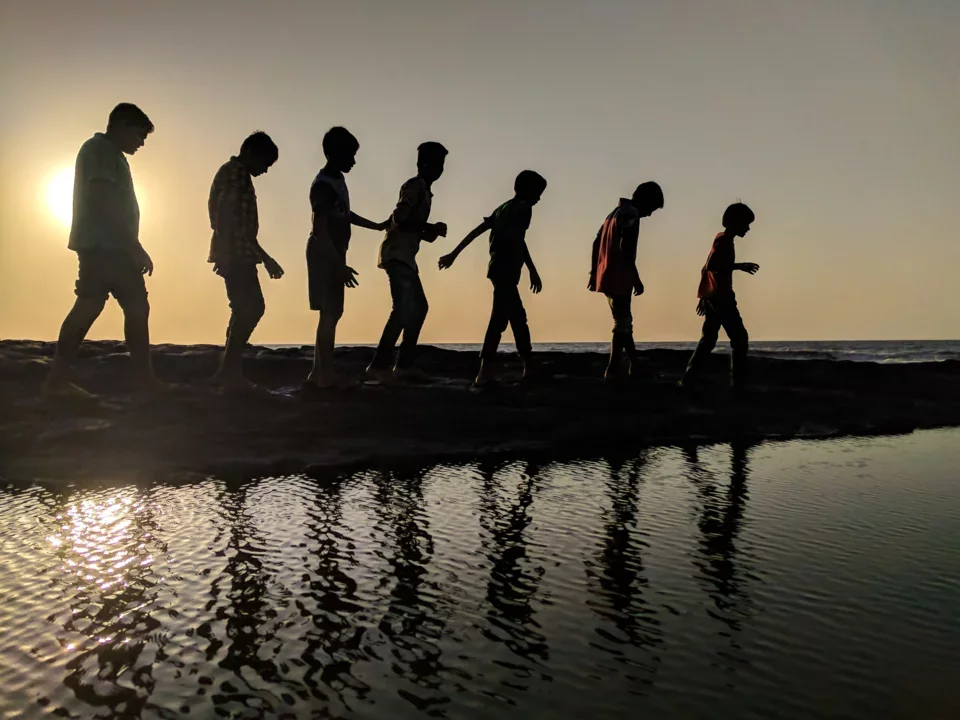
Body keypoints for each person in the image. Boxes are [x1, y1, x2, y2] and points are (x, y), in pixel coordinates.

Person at [43, 103, 160, 398]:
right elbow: (102, 197)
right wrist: (133, 246)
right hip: (106, 246)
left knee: (100, 305)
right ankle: (141, 380)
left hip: (108, 245)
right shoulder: (101, 150)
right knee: (115, 305)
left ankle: (60, 378)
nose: (141, 142)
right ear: (120, 125)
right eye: (139, 134)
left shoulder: (110, 155)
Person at [438, 170, 546, 386]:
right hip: (505, 270)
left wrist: (454, 254)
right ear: (526, 190)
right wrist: (532, 270)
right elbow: (518, 241)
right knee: (501, 320)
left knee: (516, 318)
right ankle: (485, 371)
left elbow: (478, 230)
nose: (539, 198)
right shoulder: (523, 209)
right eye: (537, 193)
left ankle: (526, 365)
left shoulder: (502, 208)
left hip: (497, 269)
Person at [304, 126, 386, 392]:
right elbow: (319, 229)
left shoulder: (336, 181)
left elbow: (345, 213)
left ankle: (319, 372)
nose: (353, 161)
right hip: (324, 253)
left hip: (334, 253)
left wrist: (375, 226)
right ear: (335, 153)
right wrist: (338, 266)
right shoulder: (323, 186)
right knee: (329, 314)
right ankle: (324, 374)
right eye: (350, 155)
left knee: (331, 314)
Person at [207, 131, 284, 391]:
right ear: (252, 153)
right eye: (265, 164)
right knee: (251, 308)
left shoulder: (235, 174)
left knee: (243, 308)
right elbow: (226, 216)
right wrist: (226, 253)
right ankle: (229, 371)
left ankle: (229, 369)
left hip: (240, 250)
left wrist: (265, 258)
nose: (264, 171)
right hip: (235, 253)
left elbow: (242, 227)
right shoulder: (236, 173)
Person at [367, 142, 449, 383]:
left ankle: (403, 364)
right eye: (436, 164)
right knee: (402, 309)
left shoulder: (424, 190)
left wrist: (428, 233)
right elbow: (400, 218)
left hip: (405, 256)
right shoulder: (414, 186)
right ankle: (379, 365)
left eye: (442, 165)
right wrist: (428, 227)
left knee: (418, 308)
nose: (440, 170)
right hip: (397, 254)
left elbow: (409, 226)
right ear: (422, 164)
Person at [679, 202, 759, 390]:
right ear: (734, 222)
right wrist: (740, 266)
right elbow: (712, 266)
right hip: (721, 297)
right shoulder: (723, 241)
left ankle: (688, 380)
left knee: (708, 340)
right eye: (745, 224)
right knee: (739, 338)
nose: (748, 228)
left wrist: (703, 296)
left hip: (713, 296)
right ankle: (738, 385)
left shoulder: (722, 239)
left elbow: (706, 267)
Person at [589, 182, 664, 379]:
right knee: (622, 323)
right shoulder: (631, 215)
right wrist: (636, 278)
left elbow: (597, 241)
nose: (650, 214)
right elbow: (626, 249)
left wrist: (593, 272)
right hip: (619, 275)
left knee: (623, 321)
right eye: (652, 208)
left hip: (605, 273)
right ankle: (613, 368)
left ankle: (634, 364)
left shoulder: (613, 213)